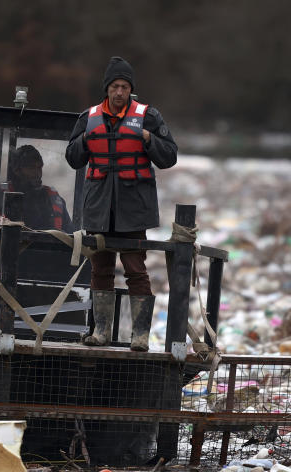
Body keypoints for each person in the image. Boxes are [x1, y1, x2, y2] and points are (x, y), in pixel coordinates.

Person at [65, 56, 177, 351]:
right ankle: (100, 332)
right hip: (99, 208)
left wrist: (148, 138)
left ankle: (139, 336)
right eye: (115, 86)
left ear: (131, 90)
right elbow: (72, 158)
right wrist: (85, 141)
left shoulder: (148, 116)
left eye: (124, 87)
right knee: (100, 270)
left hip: (133, 209)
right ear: (107, 89)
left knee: (135, 270)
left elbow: (169, 157)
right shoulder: (87, 119)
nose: (119, 92)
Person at [0, 144, 73, 232]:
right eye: (31, 168)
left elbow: (69, 237)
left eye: (39, 167)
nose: (38, 173)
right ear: (17, 170)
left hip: (48, 253)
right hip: (4, 253)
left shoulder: (53, 199)